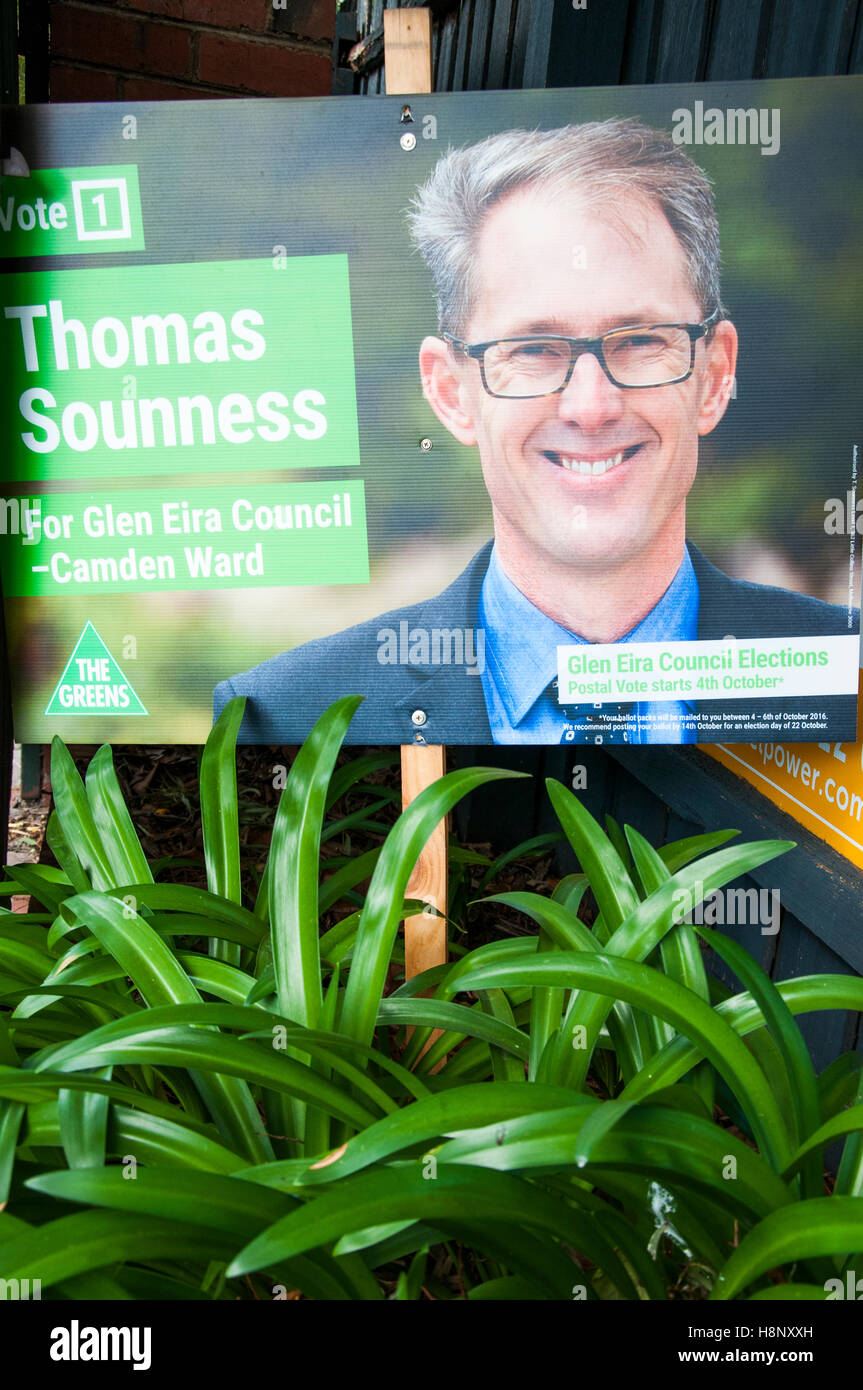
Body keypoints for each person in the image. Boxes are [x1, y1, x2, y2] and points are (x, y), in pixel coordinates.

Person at [215, 119, 852, 746]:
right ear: (450, 391)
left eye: (637, 341)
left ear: (714, 377)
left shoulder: (846, 678)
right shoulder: (284, 720)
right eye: (533, 349)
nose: (590, 406)